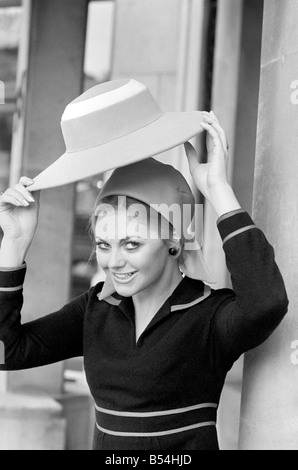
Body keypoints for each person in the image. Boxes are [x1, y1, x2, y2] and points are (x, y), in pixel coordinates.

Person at [0, 81, 288, 450]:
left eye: (132, 244)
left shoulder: (209, 316)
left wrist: (218, 190)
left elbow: (267, 303)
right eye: (104, 245)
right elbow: (8, 350)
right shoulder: (96, 310)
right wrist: (15, 244)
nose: (114, 262)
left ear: (174, 241)